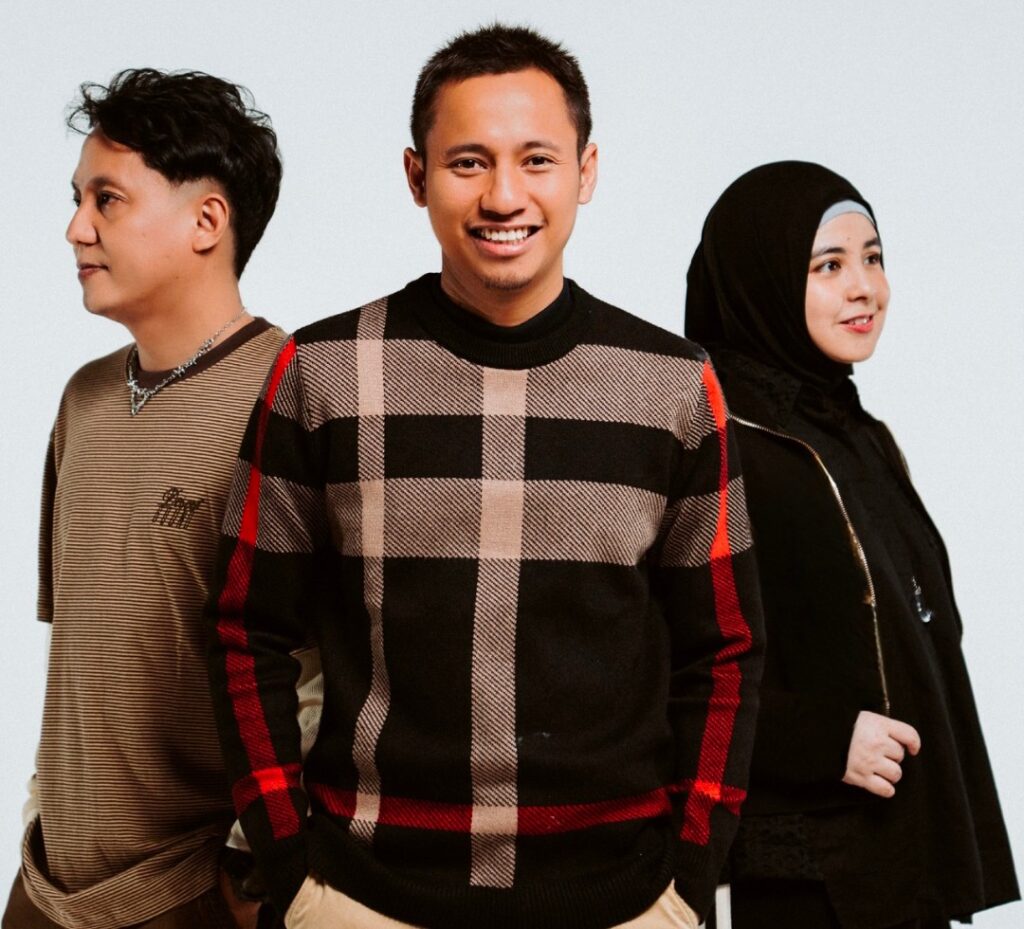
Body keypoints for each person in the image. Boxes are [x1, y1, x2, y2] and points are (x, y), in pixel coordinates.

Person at [205, 23, 764, 929]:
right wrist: (290, 862)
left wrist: (688, 878)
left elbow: (726, 652)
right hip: (363, 896)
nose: (504, 195)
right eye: (469, 162)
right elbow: (245, 632)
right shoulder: (322, 373)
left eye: (536, 159)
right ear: (416, 175)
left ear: (585, 171)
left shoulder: (672, 386)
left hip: (623, 900)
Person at [685, 161, 1019, 929]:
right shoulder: (722, 442)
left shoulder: (853, 432)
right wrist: (823, 740)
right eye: (828, 266)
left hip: (896, 853)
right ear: (763, 281)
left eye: (873, 257)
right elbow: (676, 661)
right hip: (801, 867)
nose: (865, 287)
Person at [3, 69, 288, 929]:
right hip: (46, 890)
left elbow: (325, 669)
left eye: (108, 200)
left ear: (207, 221)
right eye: (77, 199)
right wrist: (40, 816)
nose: (76, 228)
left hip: (190, 893)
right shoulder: (84, 399)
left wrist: (247, 870)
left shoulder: (291, 396)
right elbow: (82, 654)